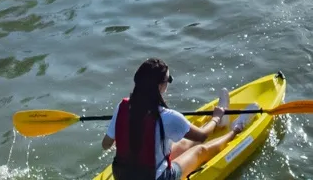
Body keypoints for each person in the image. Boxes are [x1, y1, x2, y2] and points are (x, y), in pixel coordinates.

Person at [102, 58, 244, 180]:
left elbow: (106, 144)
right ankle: (235, 130)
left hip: (121, 176)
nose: (168, 83)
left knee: (182, 144)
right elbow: (202, 136)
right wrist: (216, 117)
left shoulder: (123, 106)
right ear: (160, 86)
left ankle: (216, 125)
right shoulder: (167, 116)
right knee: (199, 150)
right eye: (168, 80)